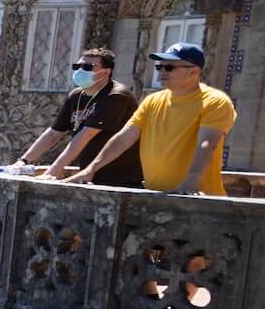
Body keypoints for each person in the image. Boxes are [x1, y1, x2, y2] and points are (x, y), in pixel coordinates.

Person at [66, 42, 236, 195]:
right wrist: (91, 169)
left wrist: (192, 179)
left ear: (194, 71)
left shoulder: (215, 101)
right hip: (155, 196)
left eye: (169, 67)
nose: (162, 71)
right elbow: (124, 138)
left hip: (197, 197)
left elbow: (207, 143)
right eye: (159, 67)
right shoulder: (152, 100)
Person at [21, 45, 142, 184]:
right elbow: (54, 133)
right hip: (89, 172)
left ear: (106, 72)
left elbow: (87, 134)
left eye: (88, 67)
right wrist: (23, 161)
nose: (80, 71)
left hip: (120, 176)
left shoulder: (116, 96)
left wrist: (53, 172)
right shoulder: (76, 95)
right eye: (77, 66)